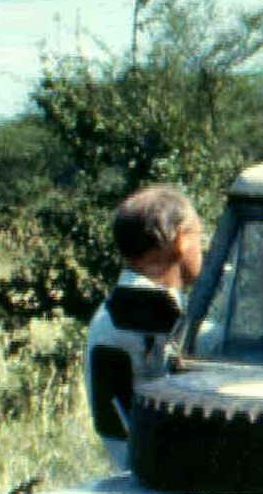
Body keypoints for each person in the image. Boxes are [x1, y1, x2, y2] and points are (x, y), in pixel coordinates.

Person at [84, 185, 203, 470]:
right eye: (200, 236)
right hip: (157, 478)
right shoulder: (155, 315)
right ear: (180, 240)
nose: (203, 247)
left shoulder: (112, 311)